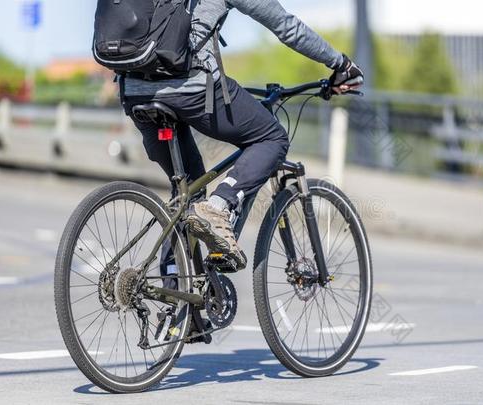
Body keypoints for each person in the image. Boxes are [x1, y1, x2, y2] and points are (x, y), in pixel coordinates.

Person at [120, 0, 364, 272]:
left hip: (134, 93)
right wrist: (341, 63)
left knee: (187, 192)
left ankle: (178, 298)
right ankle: (220, 205)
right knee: (272, 138)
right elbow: (285, 26)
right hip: (192, 90)